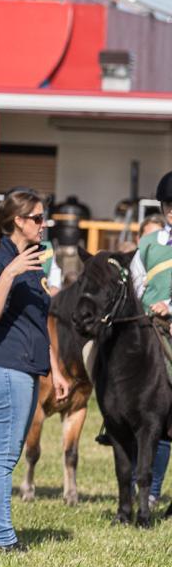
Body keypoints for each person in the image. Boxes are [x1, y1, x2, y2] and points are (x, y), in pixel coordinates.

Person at [0, 189, 70, 551]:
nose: (43, 225)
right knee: (4, 458)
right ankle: (4, 538)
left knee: (2, 457)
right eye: (37, 218)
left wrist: (56, 370)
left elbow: (38, 323)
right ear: (18, 220)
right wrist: (10, 272)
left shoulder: (33, 261)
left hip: (28, 369)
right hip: (6, 369)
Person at [129, 172, 172, 508]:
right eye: (169, 205)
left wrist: (169, 305)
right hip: (146, 325)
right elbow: (135, 284)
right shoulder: (148, 243)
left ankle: (153, 488)